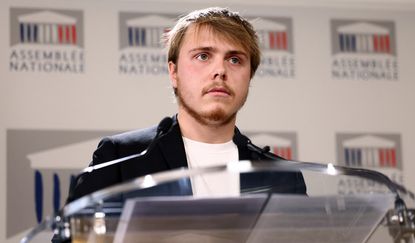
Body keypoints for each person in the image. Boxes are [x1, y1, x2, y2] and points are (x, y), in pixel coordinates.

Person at [67, 7, 306, 203]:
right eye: (203, 56)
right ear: (174, 72)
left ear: (250, 76)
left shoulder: (282, 176)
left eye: (234, 59)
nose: (220, 71)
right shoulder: (121, 158)